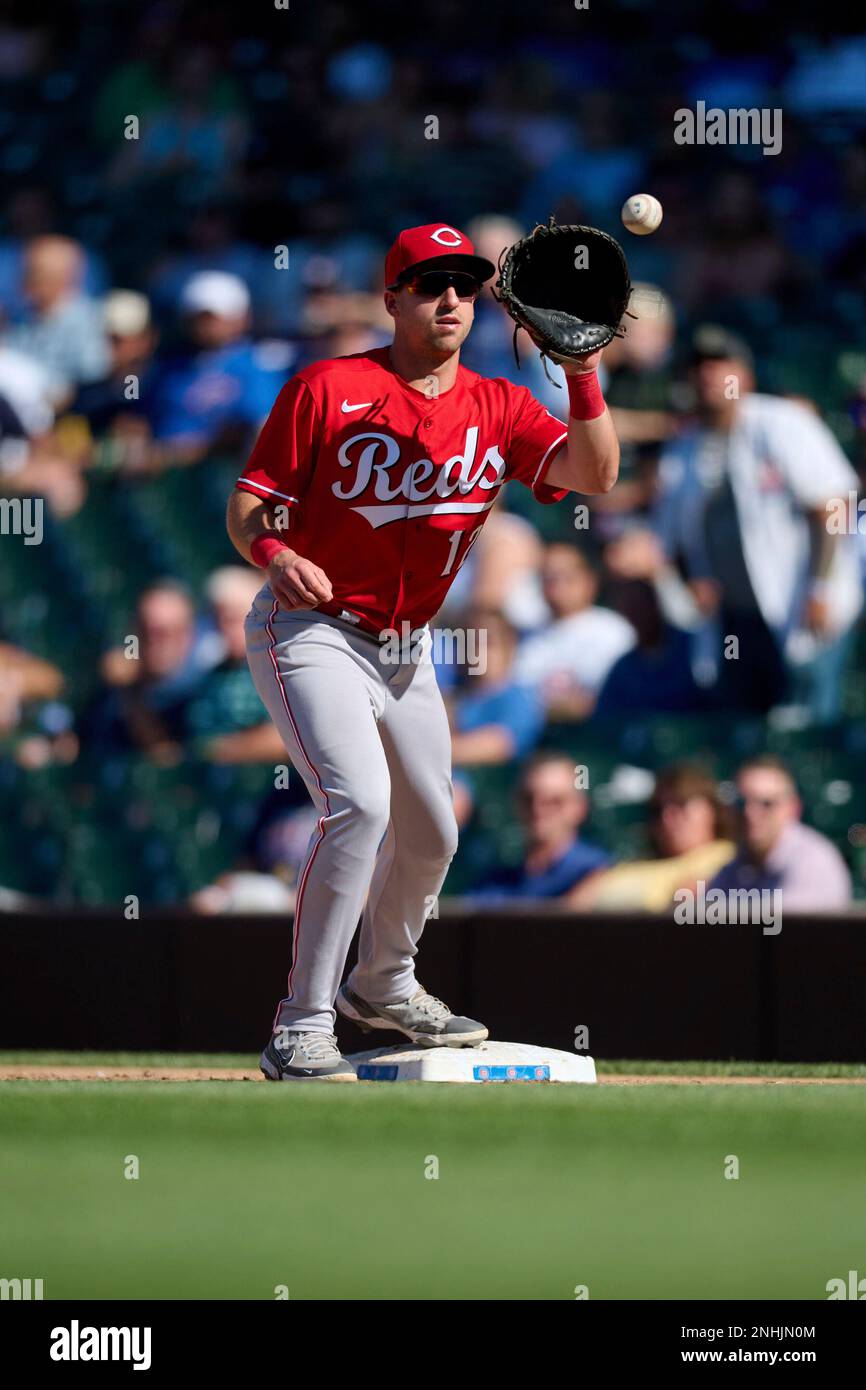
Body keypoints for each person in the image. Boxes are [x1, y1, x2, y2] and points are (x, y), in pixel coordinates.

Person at [226, 220, 620, 1081]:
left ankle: (385, 981)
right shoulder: (328, 387)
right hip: (312, 629)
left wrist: (584, 374)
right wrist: (276, 554)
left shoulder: (500, 404)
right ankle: (300, 1024)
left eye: (466, 286)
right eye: (431, 284)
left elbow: (597, 477)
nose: (451, 300)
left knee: (435, 831)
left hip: (408, 647)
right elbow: (249, 507)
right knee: (359, 806)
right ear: (392, 297)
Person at [652, 325, 862, 720]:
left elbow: (833, 505)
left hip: (802, 606)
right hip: (735, 621)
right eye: (698, 367)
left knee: (806, 722)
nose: (708, 376)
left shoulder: (781, 422)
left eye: (719, 364)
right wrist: (689, 582)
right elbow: (671, 541)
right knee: (746, 724)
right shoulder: (684, 450)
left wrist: (821, 588)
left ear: (744, 374)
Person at [572, 764, 736, 911]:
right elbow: (572, 909)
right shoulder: (624, 867)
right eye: (657, 810)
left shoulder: (725, 858)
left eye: (680, 804)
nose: (666, 817)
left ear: (712, 811)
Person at [708, 755, 852, 911]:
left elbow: (778, 928)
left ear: (793, 808)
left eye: (766, 803)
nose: (750, 813)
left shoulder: (814, 864)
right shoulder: (737, 864)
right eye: (742, 803)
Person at [513, 542, 636, 721]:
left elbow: (607, 699)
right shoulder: (528, 635)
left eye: (566, 577)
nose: (557, 587)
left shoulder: (614, 631)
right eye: (548, 578)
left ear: (589, 580)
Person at [469, 751, 610, 901]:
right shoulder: (493, 887)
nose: (538, 809)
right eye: (528, 799)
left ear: (579, 807)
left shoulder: (601, 876)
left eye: (555, 801)